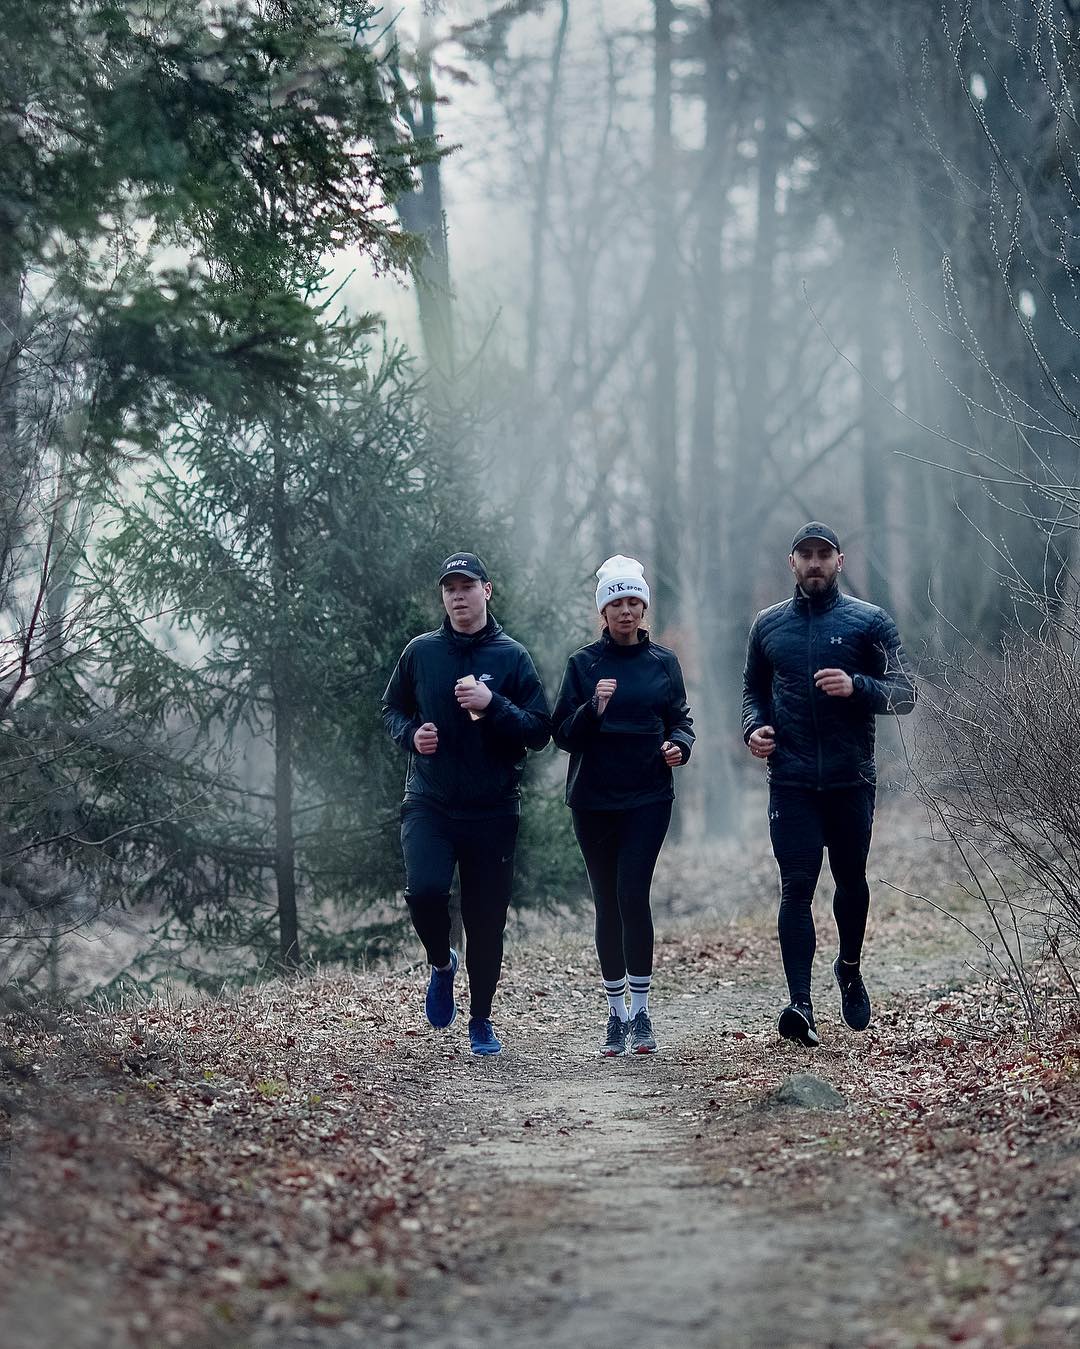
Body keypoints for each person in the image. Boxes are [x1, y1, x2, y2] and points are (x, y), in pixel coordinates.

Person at [742, 523, 917, 1047]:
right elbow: (752, 691)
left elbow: (905, 694)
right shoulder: (767, 626)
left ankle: (850, 966)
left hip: (850, 780)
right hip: (791, 781)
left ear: (839, 561)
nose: (814, 563)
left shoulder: (869, 622)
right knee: (795, 888)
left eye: (823, 555)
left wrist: (856, 685)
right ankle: (800, 1004)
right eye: (805, 555)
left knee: (850, 883)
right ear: (791, 563)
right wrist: (755, 729)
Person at [381, 551, 551, 1056]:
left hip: (493, 809)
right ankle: (440, 963)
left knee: (485, 922)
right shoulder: (421, 652)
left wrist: (492, 704)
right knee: (425, 892)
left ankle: (481, 1020)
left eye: (466, 586)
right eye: (449, 588)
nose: (457, 596)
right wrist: (412, 736)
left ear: (486, 591)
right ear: (443, 597)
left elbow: (540, 730)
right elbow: (391, 708)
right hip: (430, 800)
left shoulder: (511, 657)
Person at [552, 555, 694, 1057]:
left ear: (644, 607)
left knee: (633, 894)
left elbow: (681, 719)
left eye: (634, 601)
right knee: (607, 901)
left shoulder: (663, 663)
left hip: (648, 796)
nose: (626, 611)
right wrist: (593, 708)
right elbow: (562, 736)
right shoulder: (583, 665)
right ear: (603, 611)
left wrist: (681, 745)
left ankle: (642, 1012)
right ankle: (615, 1015)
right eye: (617, 602)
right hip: (592, 800)